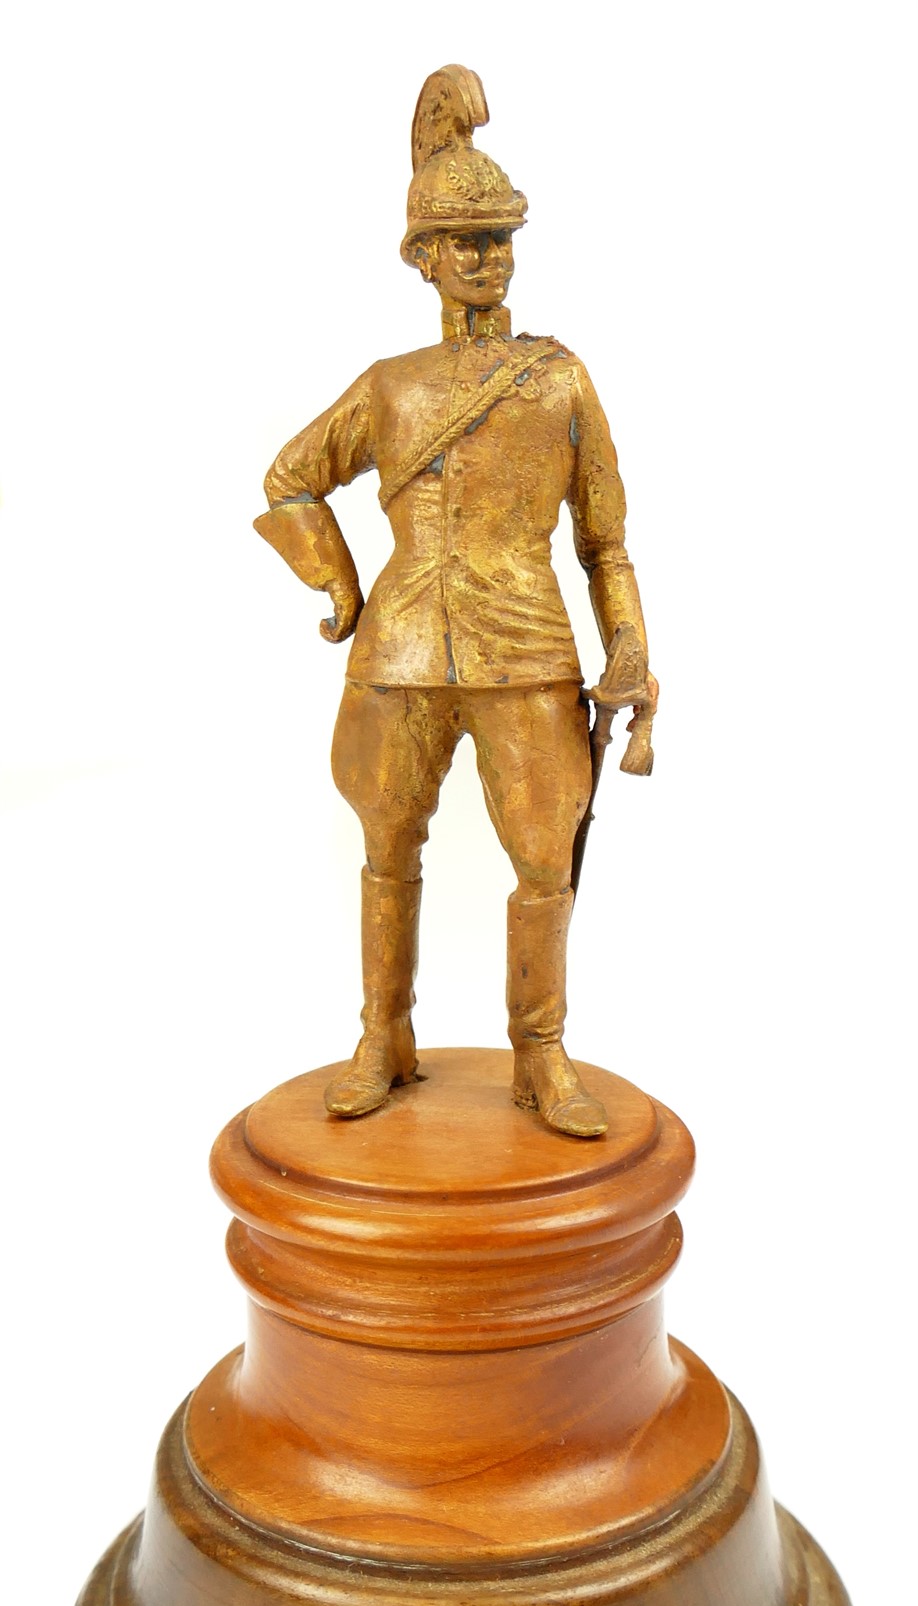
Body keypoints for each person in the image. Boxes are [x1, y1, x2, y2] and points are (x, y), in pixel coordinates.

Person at [256, 66, 656, 1137]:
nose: (484, 257)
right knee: (388, 847)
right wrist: (339, 582)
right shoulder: (391, 386)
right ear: (422, 258)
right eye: (461, 241)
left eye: (498, 238)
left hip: (527, 648)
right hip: (398, 651)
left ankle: (541, 1051)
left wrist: (628, 644)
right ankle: (382, 1036)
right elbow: (290, 478)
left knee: (543, 860)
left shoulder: (559, 379)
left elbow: (605, 540)